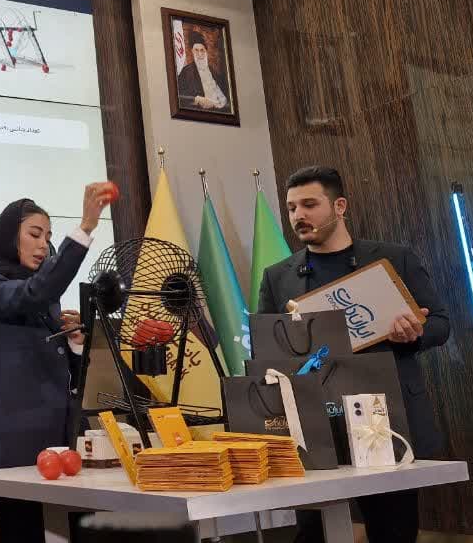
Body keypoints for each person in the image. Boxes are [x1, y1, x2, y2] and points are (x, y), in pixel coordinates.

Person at [257, 166, 450, 543]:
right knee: (312, 534)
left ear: (340, 206)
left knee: (392, 532)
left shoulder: (394, 258)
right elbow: (268, 350)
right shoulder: (277, 276)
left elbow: (440, 324)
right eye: (292, 208)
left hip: (388, 421)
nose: (298, 216)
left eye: (309, 204)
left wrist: (413, 333)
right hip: (316, 425)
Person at [0, 185, 115, 543]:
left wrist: (75, 346)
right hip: (16, 446)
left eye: (49, 237)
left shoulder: (47, 299)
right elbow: (34, 293)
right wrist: (86, 227)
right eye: (34, 234)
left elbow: (64, 377)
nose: (44, 244)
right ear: (9, 236)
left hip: (65, 439)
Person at [176, 30, 230, 112]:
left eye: (202, 50)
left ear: (206, 52)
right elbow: (179, 96)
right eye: (196, 50)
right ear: (192, 52)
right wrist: (196, 99)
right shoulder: (186, 72)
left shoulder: (215, 73)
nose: (200, 54)